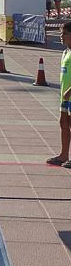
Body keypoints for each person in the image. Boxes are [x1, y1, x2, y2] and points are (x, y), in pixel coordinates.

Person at [47, 22, 71, 168]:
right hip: (65, 96)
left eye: (65, 34)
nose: (61, 37)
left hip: (69, 94)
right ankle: (63, 155)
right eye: (61, 34)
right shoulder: (65, 52)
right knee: (63, 123)